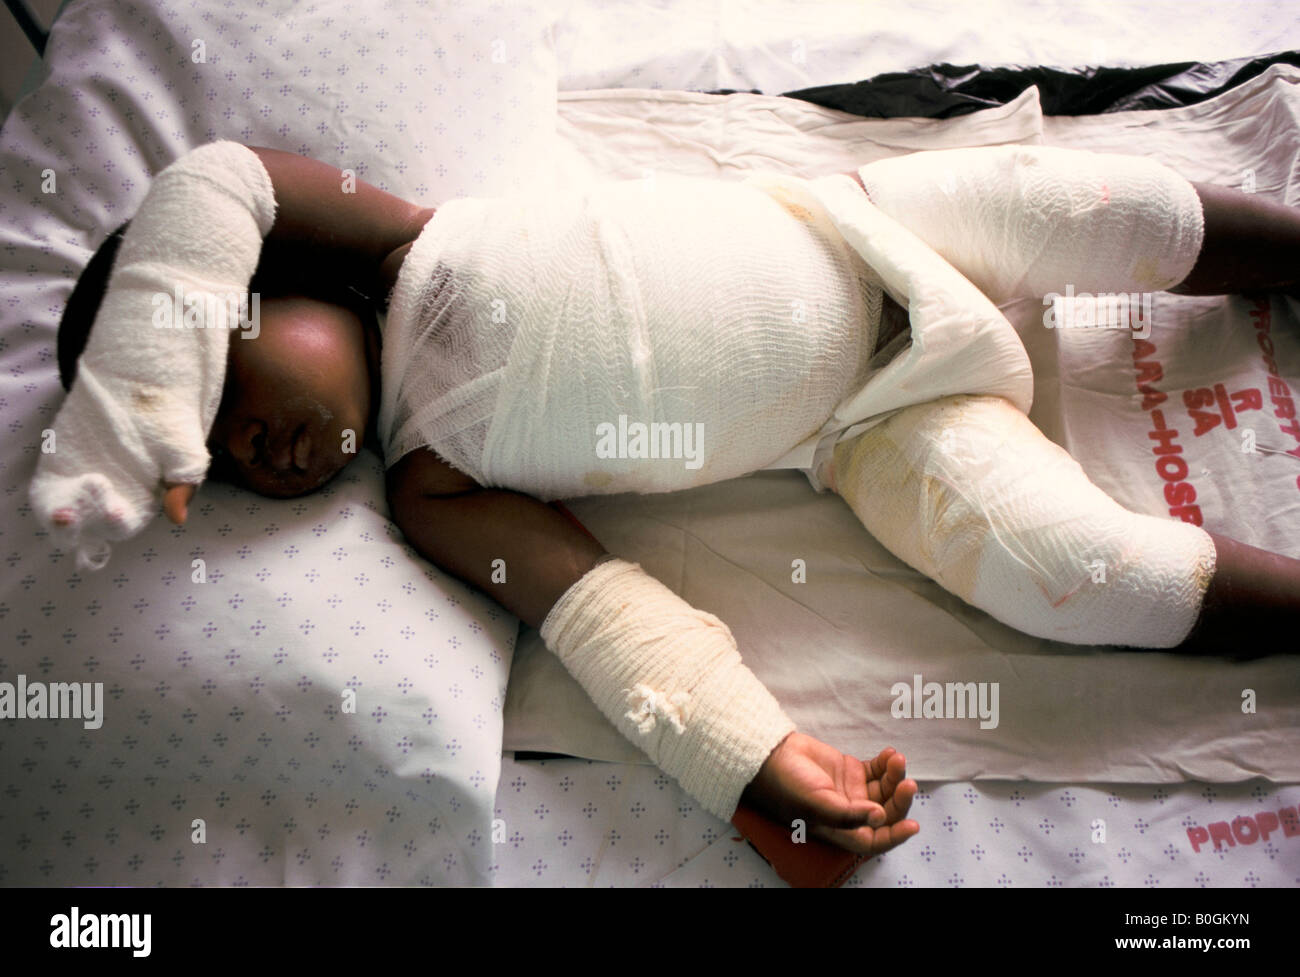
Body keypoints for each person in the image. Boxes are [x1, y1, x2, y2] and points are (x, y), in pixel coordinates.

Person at [47, 142, 1300, 856]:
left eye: (218, 374)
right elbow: (603, 614)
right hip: (866, 429)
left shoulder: (402, 246)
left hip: (871, 223)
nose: (241, 442)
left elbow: (217, 182)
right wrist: (755, 766)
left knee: (1099, 207)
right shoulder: (437, 490)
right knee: (1070, 578)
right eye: (208, 456)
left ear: (274, 280)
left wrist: (147, 365)